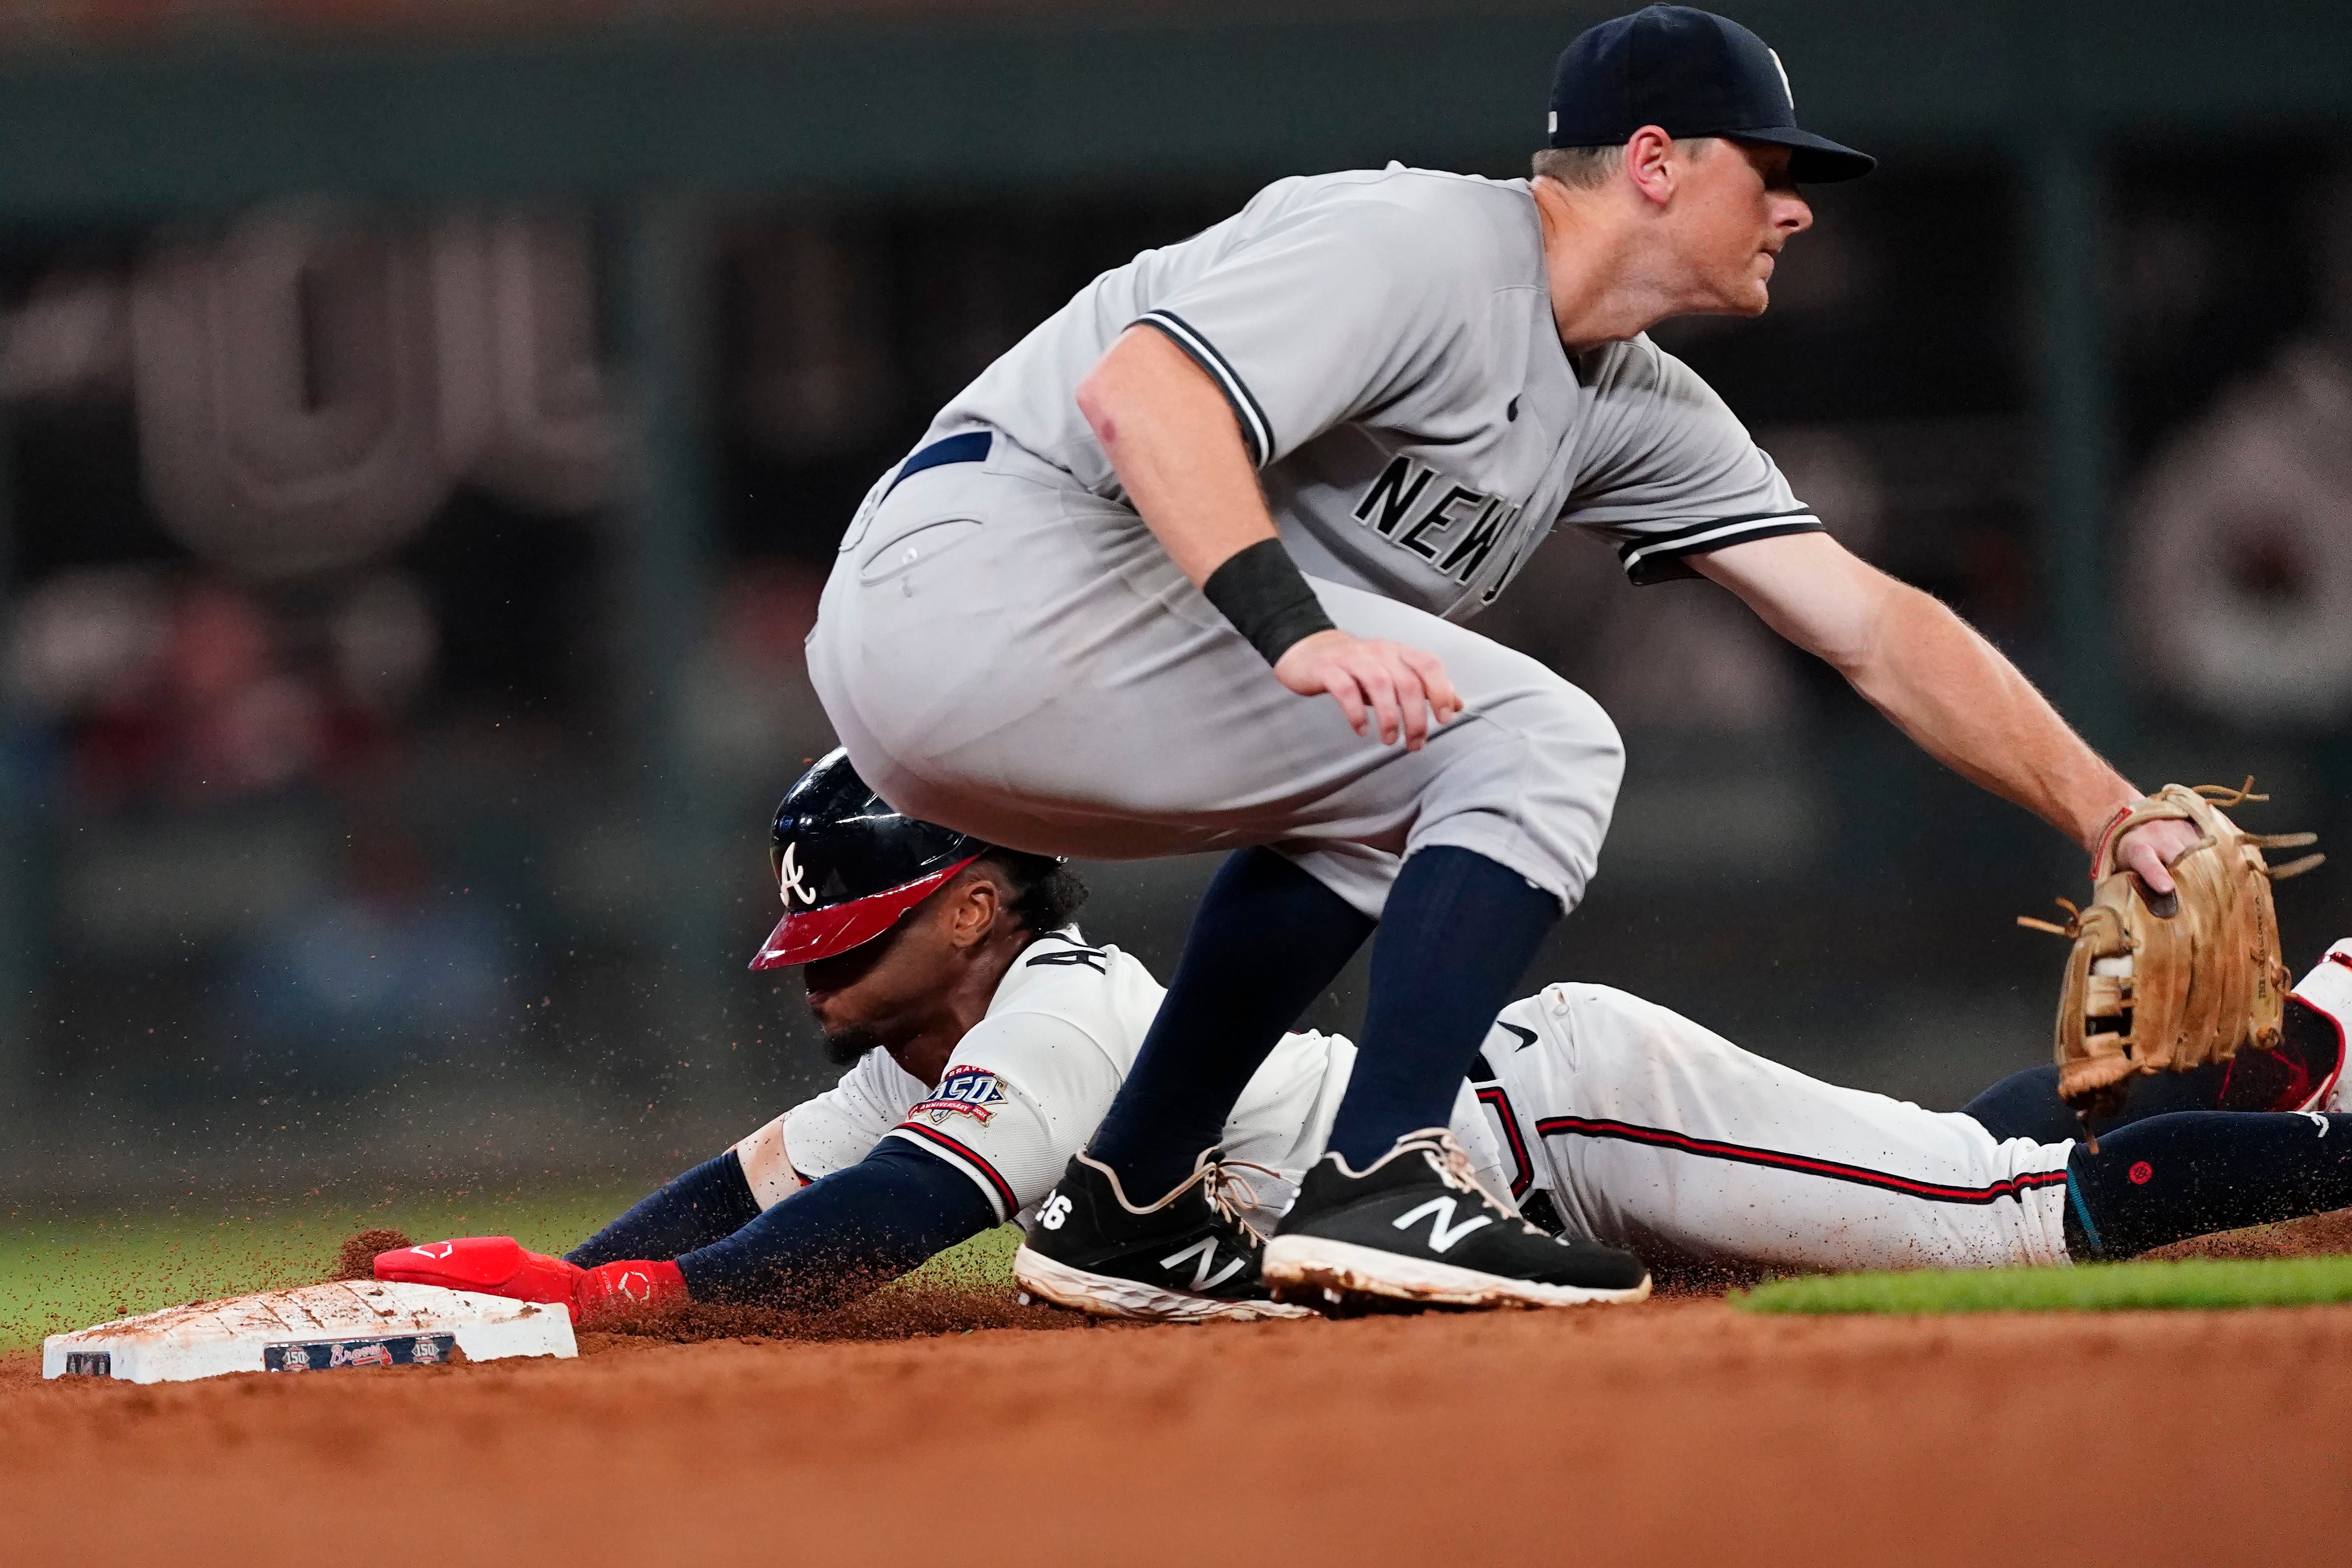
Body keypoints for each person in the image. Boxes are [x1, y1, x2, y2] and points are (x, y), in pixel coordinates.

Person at [792, 5, 2205, 1312]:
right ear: (1653, 161)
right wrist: (1300, 624)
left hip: (994, 655)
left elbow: (1868, 621)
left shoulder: (1630, 402)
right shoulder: (1422, 243)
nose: (1793, 207)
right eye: (1769, 167)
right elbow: (1142, 392)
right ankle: (1384, 1175)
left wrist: (2103, 805)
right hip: (980, 568)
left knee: (1394, 765)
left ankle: (1132, 1199)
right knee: (1535, 734)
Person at [378, 758, 2352, 1325]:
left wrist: (606, 1296)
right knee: (1912, 1155)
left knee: (1994, 1215)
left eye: (852, 931)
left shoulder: (1049, 1016)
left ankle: (2321, 1117)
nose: (815, 970)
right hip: (1495, 1157)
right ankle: (2288, 1063)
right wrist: (567, 1282)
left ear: (972, 900)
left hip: (1549, 1117)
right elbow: (754, 1186)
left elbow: (868, 1230)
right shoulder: (917, 1047)